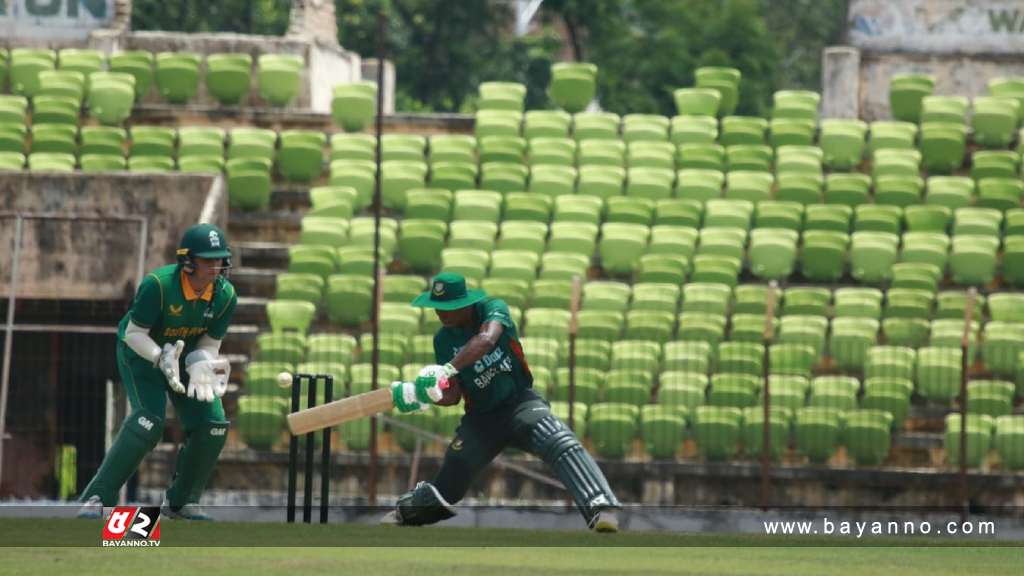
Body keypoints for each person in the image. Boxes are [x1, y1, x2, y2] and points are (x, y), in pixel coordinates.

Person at [383, 272, 621, 532]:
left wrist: (448, 368)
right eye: (437, 307)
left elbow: (486, 340)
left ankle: (601, 508)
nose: (441, 314)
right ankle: (404, 513)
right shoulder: (443, 339)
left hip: (520, 402)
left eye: (448, 308)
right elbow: (452, 396)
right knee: (454, 471)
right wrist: (424, 395)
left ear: (465, 303)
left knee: (556, 439)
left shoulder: (492, 309)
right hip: (481, 418)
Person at [77, 223, 238, 521]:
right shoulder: (159, 285)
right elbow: (135, 333)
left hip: (185, 356)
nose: (216, 267)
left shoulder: (226, 295)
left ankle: (181, 502)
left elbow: (209, 341)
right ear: (188, 261)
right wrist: (158, 356)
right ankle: (98, 497)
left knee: (213, 425)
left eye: (220, 259)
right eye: (208, 260)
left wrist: (202, 360)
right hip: (141, 353)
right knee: (149, 421)